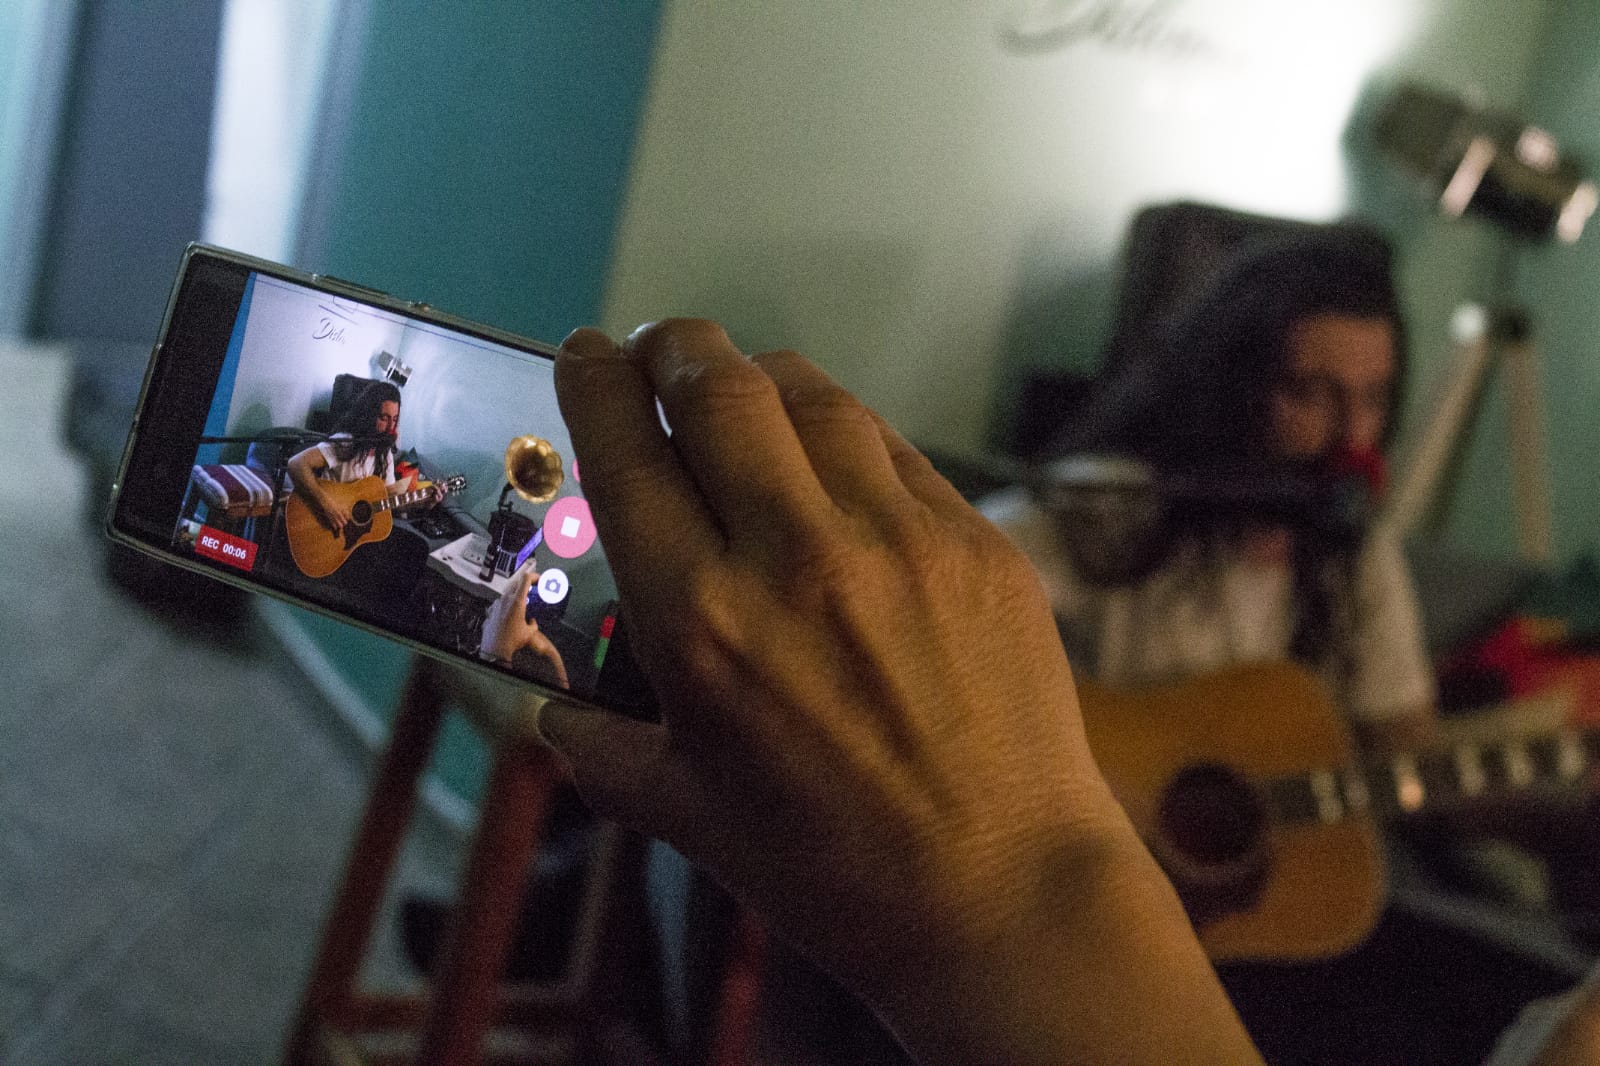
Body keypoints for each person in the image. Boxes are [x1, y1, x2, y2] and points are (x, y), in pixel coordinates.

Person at [535, 318, 1264, 1064]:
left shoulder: (1349, 568)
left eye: (1376, 401)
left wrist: (1012, 882)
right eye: (1301, 388)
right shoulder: (1110, 512)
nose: (1349, 435)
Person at [286, 379, 437, 534]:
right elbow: (296, 464)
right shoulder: (346, 443)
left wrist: (423, 501)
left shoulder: (385, 455)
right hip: (323, 524)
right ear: (369, 416)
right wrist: (327, 505)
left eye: (395, 419)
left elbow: (390, 502)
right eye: (384, 419)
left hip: (351, 533)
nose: (391, 428)